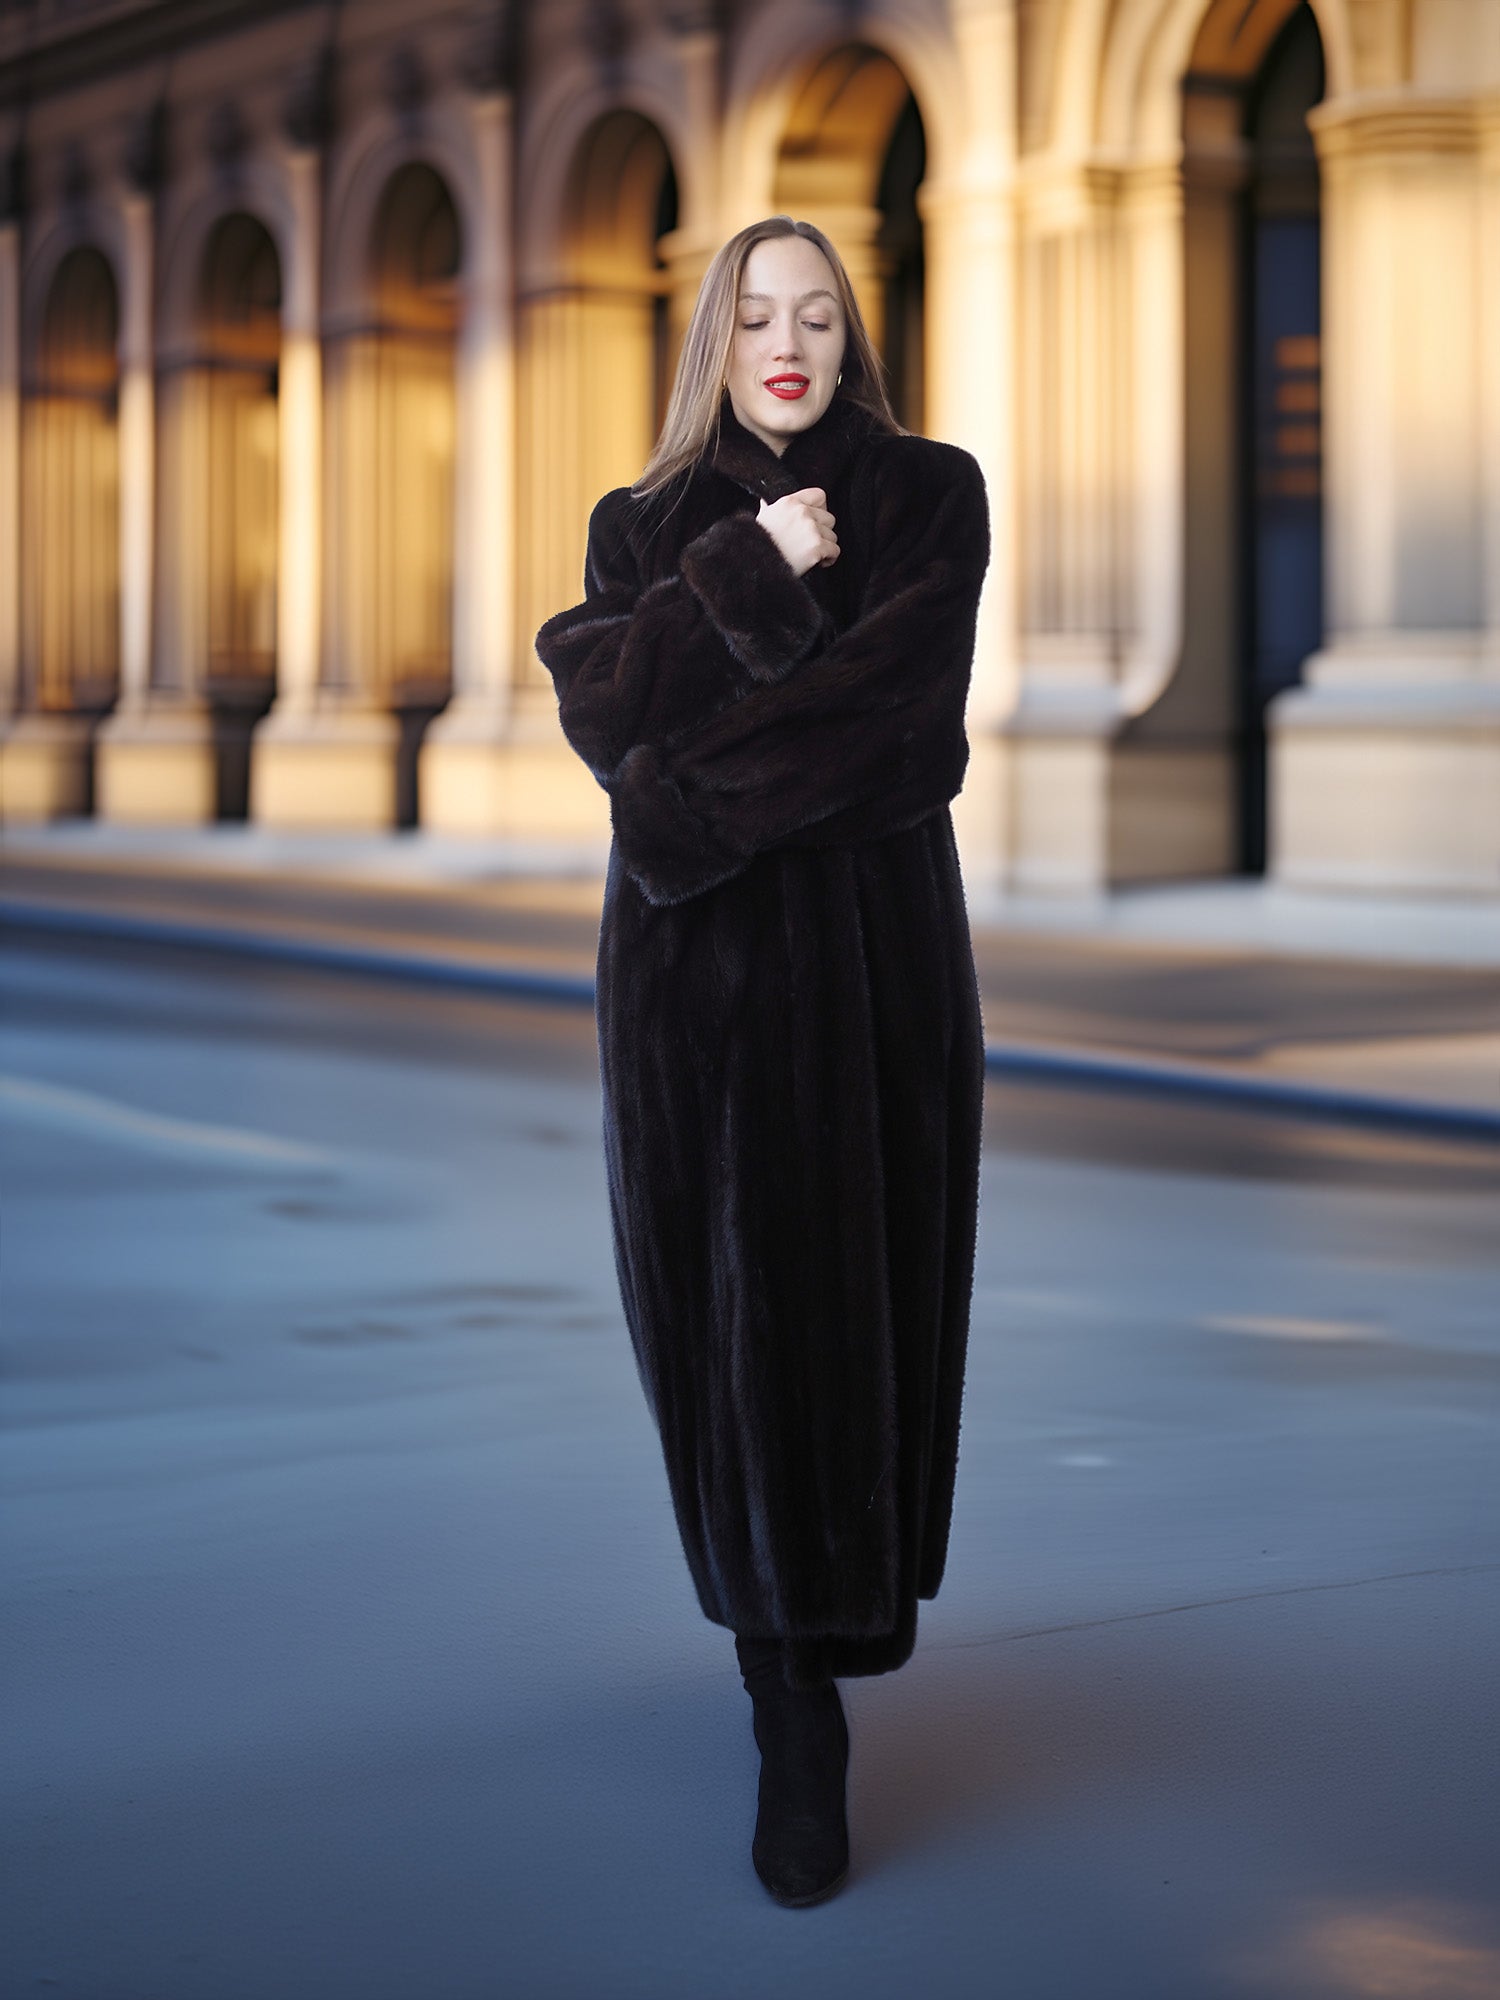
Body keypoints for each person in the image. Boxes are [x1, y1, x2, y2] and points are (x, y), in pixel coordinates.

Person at [534, 215, 991, 1907]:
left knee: (858, 1321)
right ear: (712, 340)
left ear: (851, 331)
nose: (786, 343)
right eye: (755, 316)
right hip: (691, 993)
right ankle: (784, 1706)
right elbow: (596, 708)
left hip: (873, 977)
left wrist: (672, 802)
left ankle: (827, 1656)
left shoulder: (930, 493)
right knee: (725, 1338)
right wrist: (750, 574)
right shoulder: (643, 524)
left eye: (815, 313)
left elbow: (900, 732)